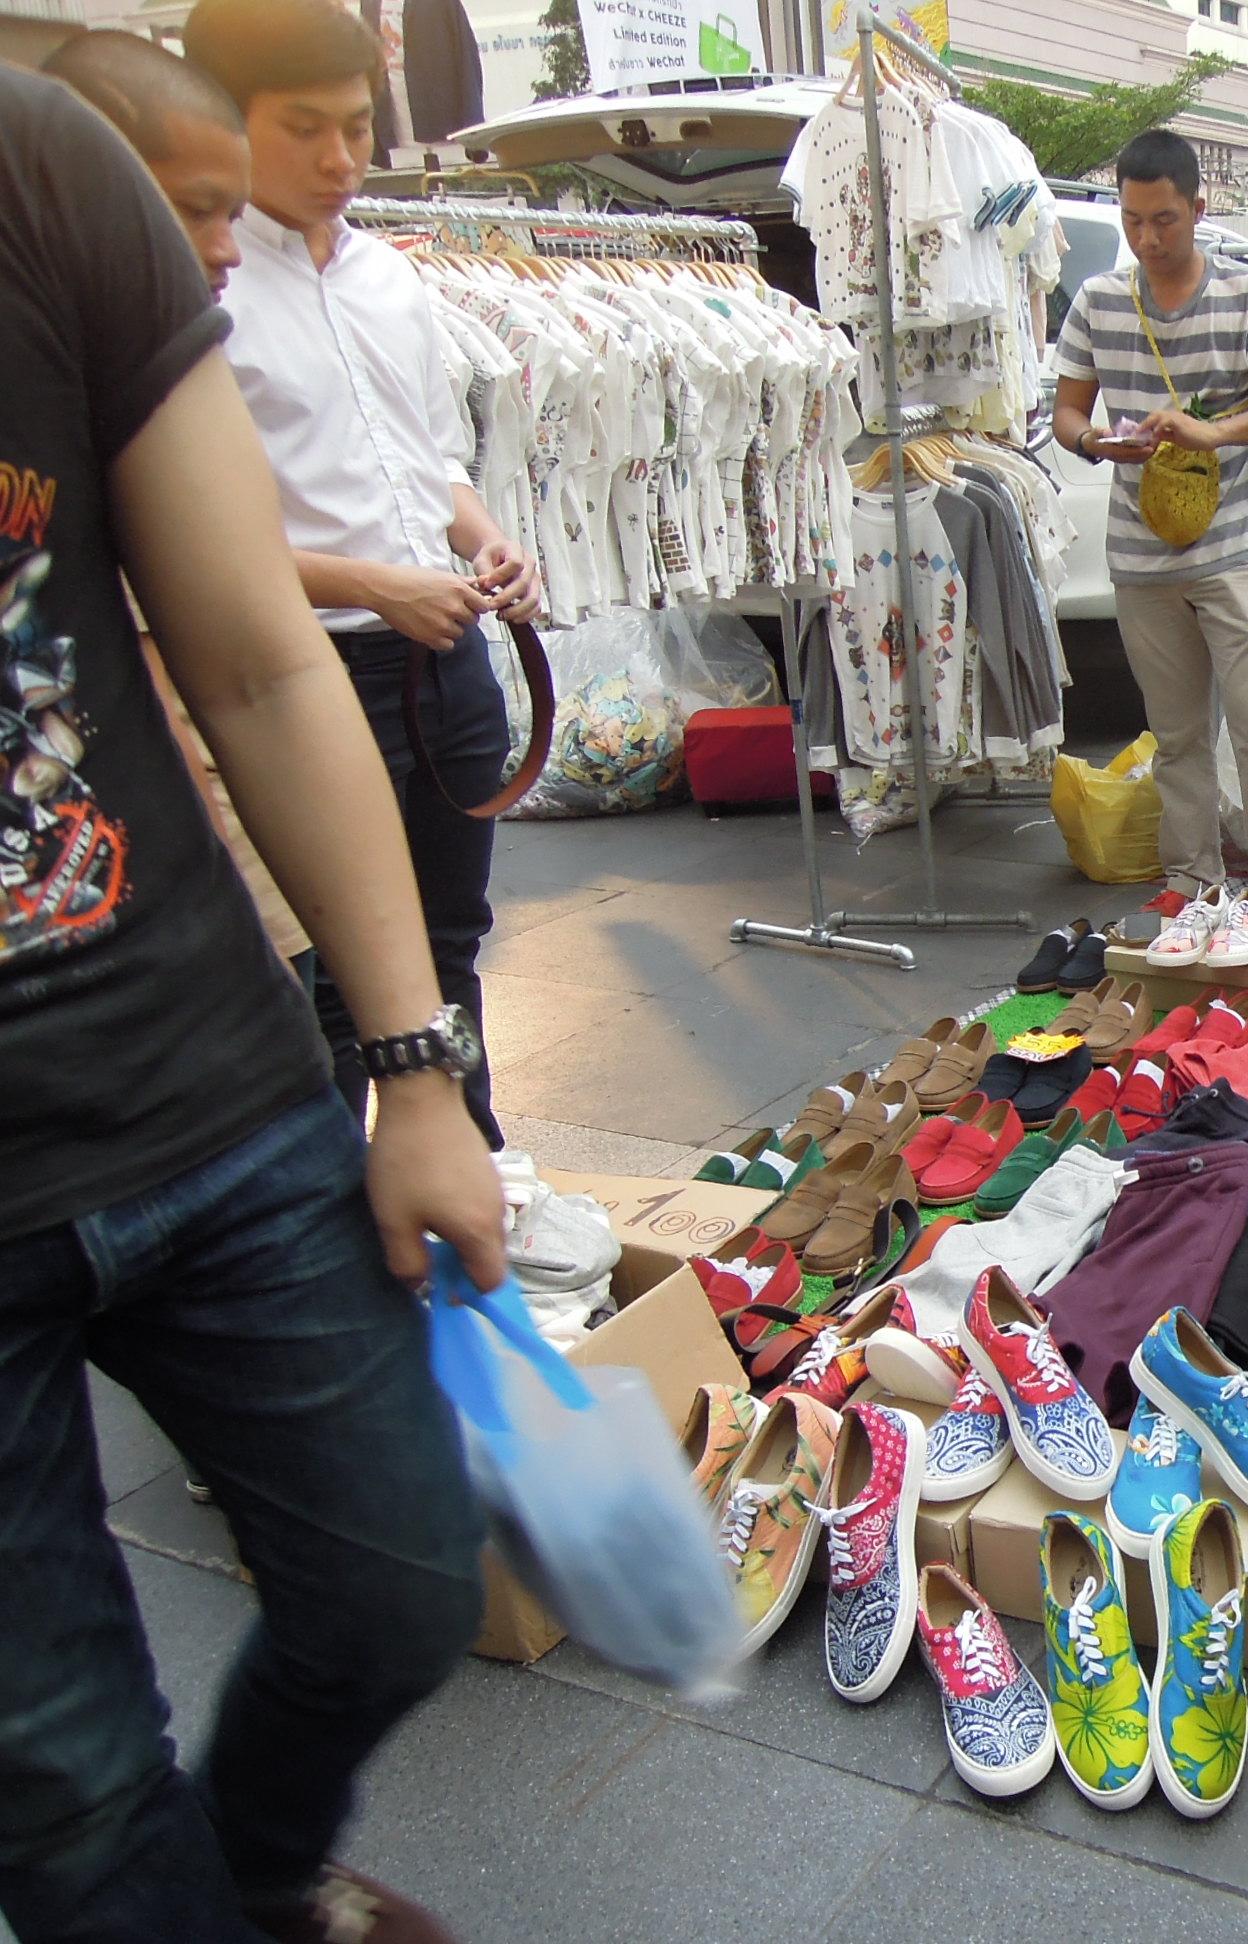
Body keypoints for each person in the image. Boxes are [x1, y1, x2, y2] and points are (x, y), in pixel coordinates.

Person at [0, 63, 504, 1943]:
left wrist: (416, 1069)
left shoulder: (39, 173)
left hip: (205, 1078)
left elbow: (252, 652)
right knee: (61, 1783)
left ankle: (258, 1866)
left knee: (400, 1579)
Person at [185, 0, 539, 1149]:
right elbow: (181, 550)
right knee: (331, 980)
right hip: (299, 671)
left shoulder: (391, 276)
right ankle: (343, 1219)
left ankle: (476, 1181)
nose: (341, 160)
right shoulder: (199, 288)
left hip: (442, 659)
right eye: (304, 129)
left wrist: (484, 542)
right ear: (223, 118)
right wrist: (372, 584)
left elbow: (428, 459)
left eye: (354, 125)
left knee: (449, 945)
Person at [42, 29, 317, 1005]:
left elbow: (255, 661)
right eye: (195, 211)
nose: (223, 249)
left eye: (232, 214)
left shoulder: (149, 370)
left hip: (216, 878)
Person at [1051, 128, 1248, 945]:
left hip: (1239, 546)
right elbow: (1069, 409)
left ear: (1198, 210)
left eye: (1164, 220)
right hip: (1142, 555)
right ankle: (1191, 881)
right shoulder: (1100, 300)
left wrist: (1218, 433)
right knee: (1175, 734)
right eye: (1134, 221)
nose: (1147, 238)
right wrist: (1095, 443)